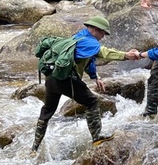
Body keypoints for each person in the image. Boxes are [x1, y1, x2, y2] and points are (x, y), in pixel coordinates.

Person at [31, 17, 140, 153]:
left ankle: (34, 148)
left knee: (47, 110)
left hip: (51, 78)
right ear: (95, 29)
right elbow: (104, 53)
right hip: (67, 80)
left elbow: (88, 60)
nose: (103, 37)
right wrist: (126, 55)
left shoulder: (77, 37)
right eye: (103, 33)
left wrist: (95, 77)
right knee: (92, 101)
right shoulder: (90, 42)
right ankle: (96, 137)